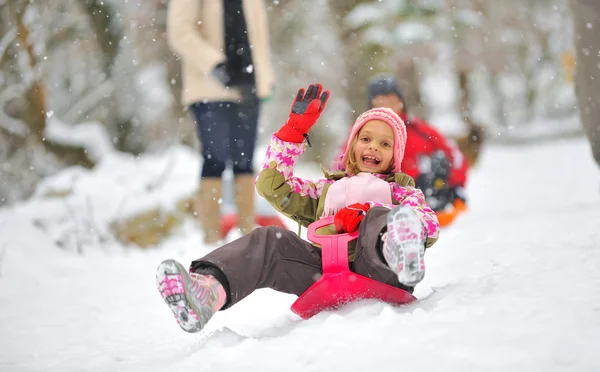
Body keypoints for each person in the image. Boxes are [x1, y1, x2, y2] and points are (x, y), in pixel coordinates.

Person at [155, 84, 440, 333]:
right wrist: (294, 132)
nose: (373, 147)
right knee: (269, 239)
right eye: (365, 139)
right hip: (326, 272)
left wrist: (369, 212)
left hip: (383, 271)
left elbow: (428, 222)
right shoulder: (326, 191)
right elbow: (271, 184)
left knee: (384, 218)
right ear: (352, 146)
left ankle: (397, 249)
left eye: (385, 143)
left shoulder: (399, 190)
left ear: (395, 155)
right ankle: (208, 294)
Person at [166, 0, 277, 243]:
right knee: (214, 158)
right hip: (209, 88)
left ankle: (248, 239)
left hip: (249, 86)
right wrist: (214, 64)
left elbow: (257, 34)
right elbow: (180, 32)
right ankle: (210, 239)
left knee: (245, 162)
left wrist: (265, 76)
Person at [333, 74, 469, 226]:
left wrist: (457, 186)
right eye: (381, 102)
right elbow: (342, 162)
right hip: (381, 195)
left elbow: (453, 155)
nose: (388, 106)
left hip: (421, 192)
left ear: (401, 102)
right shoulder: (361, 132)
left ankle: (431, 209)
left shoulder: (419, 130)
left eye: (391, 100)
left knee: (439, 160)